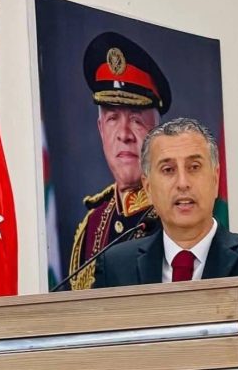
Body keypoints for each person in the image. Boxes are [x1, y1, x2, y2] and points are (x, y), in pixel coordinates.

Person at [94, 117, 238, 369]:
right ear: (148, 187)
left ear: (215, 179)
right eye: (168, 170)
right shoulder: (116, 267)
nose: (183, 183)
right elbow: (93, 356)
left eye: (194, 167)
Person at [69, 32, 171, 290]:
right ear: (101, 129)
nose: (124, 134)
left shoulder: (175, 215)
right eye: (113, 118)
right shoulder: (92, 225)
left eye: (136, 120)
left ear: (157, 134)